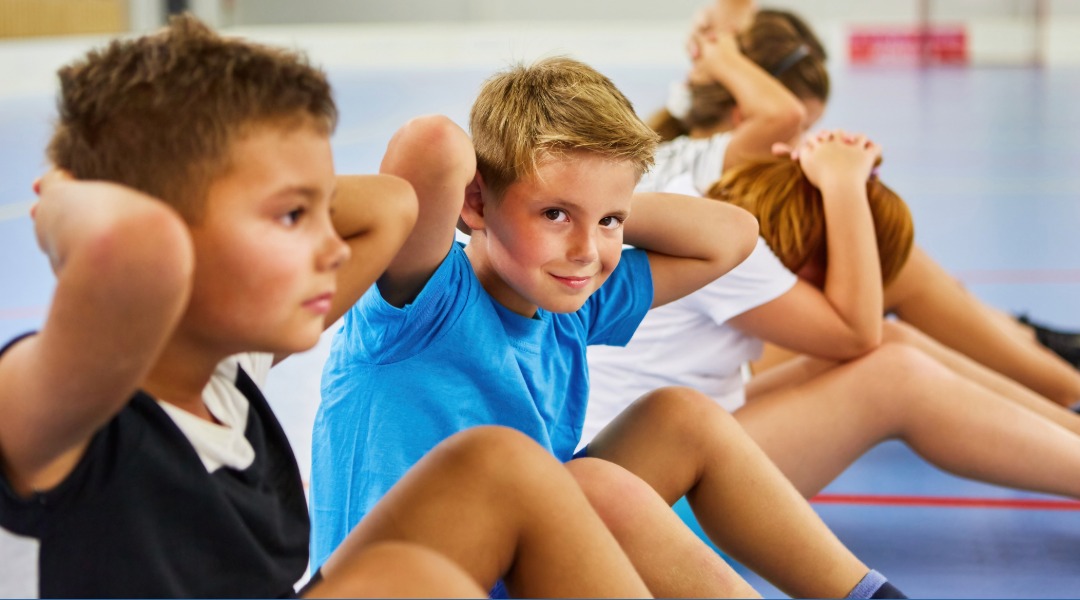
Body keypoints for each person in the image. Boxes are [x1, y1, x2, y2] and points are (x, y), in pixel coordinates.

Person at [0, 16, 657, 598]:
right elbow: (133, 248)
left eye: (322, 208)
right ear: (169, 226)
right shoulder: (59, 410)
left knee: (493, 474)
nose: (332, 247)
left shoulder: (228, 374)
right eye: (291, 215)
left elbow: (391, 208)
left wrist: (278, 189)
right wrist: (67, 192)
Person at [313, 55, 908, 599]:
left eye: (609, 222)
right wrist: (531, 193)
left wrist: (594, 204)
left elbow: (733, 236)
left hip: (512, 563)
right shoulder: (425, 297)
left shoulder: (575, 297)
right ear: (475, 203)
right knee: (593, 484)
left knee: (680, 417)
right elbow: (431, 142)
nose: (584, 251)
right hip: (398, 584)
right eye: (554, 215)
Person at [583, 130, 1080, 508]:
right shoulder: (738, 250)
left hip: (643, 459)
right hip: (655, 500)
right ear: (817, 258)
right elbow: (854, 332)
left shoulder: (704, 202)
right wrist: (843, 184)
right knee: (894, 377)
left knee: (893, 340)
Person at [661, 5, 1080, 408]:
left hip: (704, 369)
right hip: (706, 378)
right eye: (805, 128)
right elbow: (781, 113)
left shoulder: (683, 155)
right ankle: (1061, 381)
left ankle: (1034, 345)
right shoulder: (711, 164)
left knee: (897, 273)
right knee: (888, 272)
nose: (801, 140)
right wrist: (723, 56)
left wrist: (721, 51)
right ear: (742, 114)